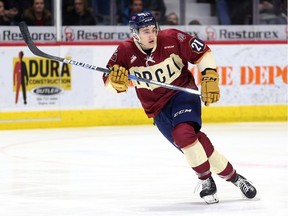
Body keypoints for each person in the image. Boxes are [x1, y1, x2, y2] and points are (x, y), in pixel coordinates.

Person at [102, 12, 257, 204]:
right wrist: (116, 83)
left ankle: (206, 181)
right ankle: (237, 179)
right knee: (196, 146)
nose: (152, 35)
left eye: (153, 30)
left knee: (183, 135)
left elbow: (202, 52)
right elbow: (108, 81)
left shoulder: (172, 38)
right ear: (135, 34)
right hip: (157, 111)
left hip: (182, 95)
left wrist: (209, 75)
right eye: (145, 31)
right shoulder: (125, 51)